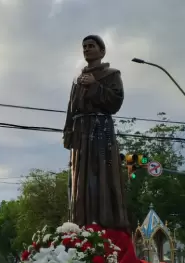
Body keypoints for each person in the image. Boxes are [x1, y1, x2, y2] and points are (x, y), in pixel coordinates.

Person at [62, 34, 129, 230]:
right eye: (84, 46)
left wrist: (95, 85)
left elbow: (115, 102)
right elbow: (71, 108)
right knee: (79, 180)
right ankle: (80, 222)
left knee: (100, 175)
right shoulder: (77, 80)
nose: (87, 49)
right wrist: (68, 131)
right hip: (80, 133)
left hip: (101, 130)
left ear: (102, 51)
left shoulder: (112, 74)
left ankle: (105, 221)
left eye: (91, 46)